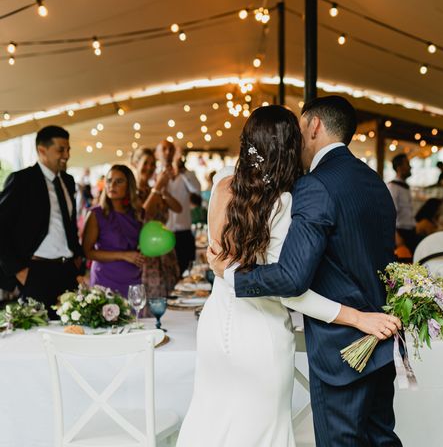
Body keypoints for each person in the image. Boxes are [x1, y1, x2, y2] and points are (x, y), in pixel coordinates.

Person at [177, 104, 401, 447]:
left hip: (215, 325)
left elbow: (281, 277)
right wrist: (357, 317)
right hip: (262, 334)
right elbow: (290, 288)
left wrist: (229, 273)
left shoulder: (222, 187)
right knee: (262, 430)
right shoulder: (295, 199)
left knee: (211, 420)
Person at [0, 126, 82, 317]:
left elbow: (68, 224)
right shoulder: (22, 180)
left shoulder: (68, 181)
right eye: (61, 149)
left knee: (73, 329)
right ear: (42, 150)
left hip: (67, 271)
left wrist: (77, 258)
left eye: (68, 149)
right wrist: (19, 270)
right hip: (36, 272)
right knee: (38, 334)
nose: (67, 155)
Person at [82, 165, 145, 297]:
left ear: (129, 186)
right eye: (109, 180)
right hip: (105, 280)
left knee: (134, 316)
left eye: (119, 181)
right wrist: (123, 255)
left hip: (133, 279)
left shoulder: (137, 214)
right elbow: (87, 252)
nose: (112, 185)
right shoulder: (96, 214)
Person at [131, 148, 181, 301]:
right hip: (148, 257)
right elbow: (143, 215)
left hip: (166, 254)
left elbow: (178, 208)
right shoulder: (133, 192)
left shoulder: (154, 190)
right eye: (146, 163)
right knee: (152, 300)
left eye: (153, 164)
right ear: (135, 163)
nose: (150, 167)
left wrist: (163, 191)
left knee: (170, 298)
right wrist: (157, 188)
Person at [157, 141, 199, 274]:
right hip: (163, 232)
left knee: (187, 272)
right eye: (164, 149)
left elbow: (196, 190)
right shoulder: (154, 175)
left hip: (184, 232)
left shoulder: (185, 174)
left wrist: (182, 171)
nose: (168, 152)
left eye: (171, 149)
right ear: (157, 153)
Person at [388, 153, 420, 253]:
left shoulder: (404, 186)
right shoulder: (393, 187)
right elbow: (389, 214)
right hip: (401, 233)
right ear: (399, 167)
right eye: (407, 163)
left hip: (410, 231)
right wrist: (396, 237)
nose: (410, 167)